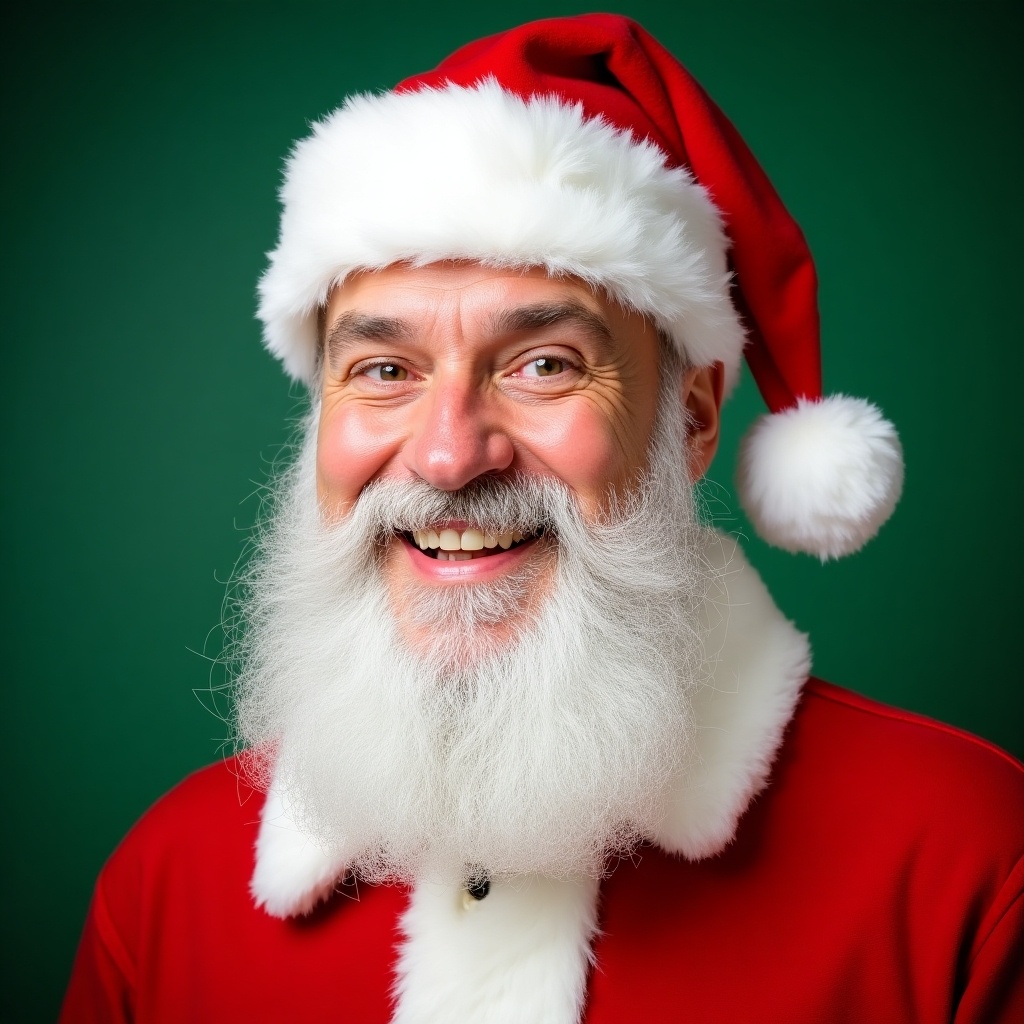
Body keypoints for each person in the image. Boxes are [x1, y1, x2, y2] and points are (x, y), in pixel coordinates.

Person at [60, 14, 1023, 1023]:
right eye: (383, 371)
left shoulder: (968, 860)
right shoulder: (164, 879)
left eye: (543, 365)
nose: (446, 453)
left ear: (687, 419)